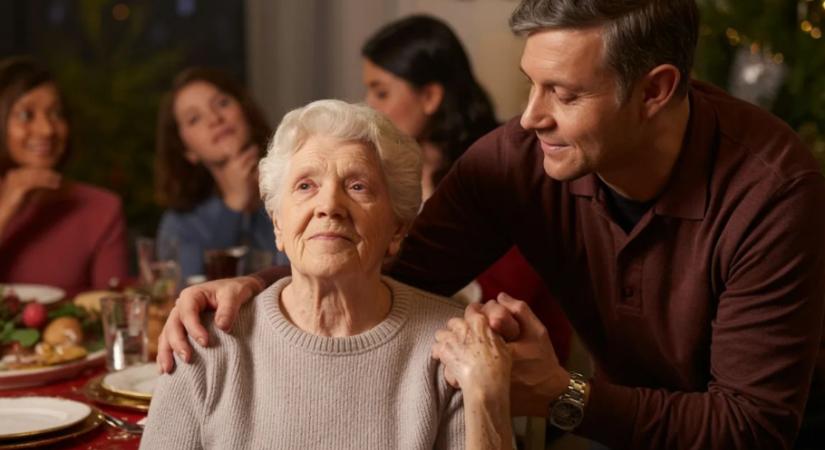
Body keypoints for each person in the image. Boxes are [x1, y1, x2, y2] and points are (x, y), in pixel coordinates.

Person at [157, 1, 825, 449]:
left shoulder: (773, 191)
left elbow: (753, 426)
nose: (530, 116)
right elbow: (394, 259)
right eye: (530, 83)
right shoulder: (518, 158)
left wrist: (561, 393)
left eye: (564, 94)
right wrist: (258, 288)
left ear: (654, 91)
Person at [143, 100, 472, 448]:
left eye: (357, 186)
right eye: (305, 186)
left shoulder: (452, 345)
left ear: (397, 229)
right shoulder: (205, 341)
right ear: (278, 225)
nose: (329, 205)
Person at [362, 15, 571, 361]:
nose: (370, 106)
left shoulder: (500, 169)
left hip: (517, 356)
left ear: (430, 96)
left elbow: (506, 293)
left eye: (381, 92)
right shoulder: (394, 172)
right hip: (433, 343)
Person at [0, 56, 127, 295]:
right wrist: (7, 207)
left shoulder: (102, 208)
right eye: (26, 115)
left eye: (56, 114)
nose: (47, 129)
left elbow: (115, 308)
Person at [154, 67, 287, 281]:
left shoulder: (296, 184)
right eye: (194, 119)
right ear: (187, 151)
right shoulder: (180, 224)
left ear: (244, 111)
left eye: (222, 104)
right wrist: (233, 206)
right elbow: (192, 291)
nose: (215, 119)